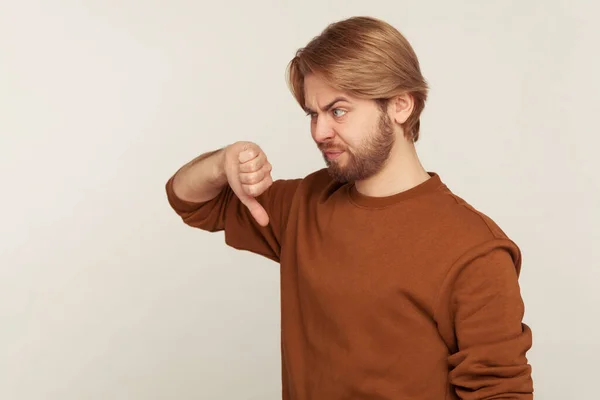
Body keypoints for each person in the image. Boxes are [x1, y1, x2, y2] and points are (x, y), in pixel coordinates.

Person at [165, 16, 534, 400]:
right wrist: (221, 161)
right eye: (313, 113)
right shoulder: (305, 204)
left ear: (400, 105)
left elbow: (502, 393)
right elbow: (191, 202)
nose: (319, 132)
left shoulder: (474, 250)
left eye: (338, 110)